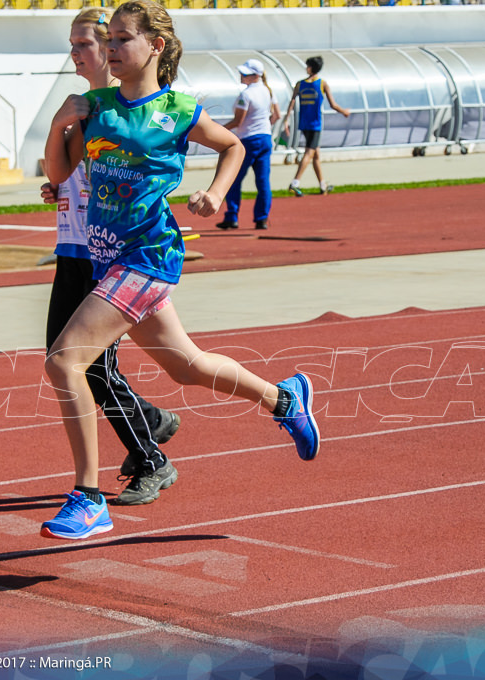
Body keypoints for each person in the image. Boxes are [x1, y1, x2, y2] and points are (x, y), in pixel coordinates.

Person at [40, 0, 321, 541]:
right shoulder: (94, 105)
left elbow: (234, 145)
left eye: (123, 39)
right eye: (111, 40)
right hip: (107, 258)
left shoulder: (179, 109)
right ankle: (284, 398)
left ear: (155, 47)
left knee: (64, 362)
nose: (112, 49)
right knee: (187, 366)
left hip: (147, 257)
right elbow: (60, 170)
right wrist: (60, 124)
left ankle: (89, 497)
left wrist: (216, 193)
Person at [40, 7, 181, 507]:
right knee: (67, 358)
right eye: (72, 44)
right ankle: (153, 423)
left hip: (114, 256)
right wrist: (56, 180)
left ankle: (150, 457)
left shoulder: (125, 106)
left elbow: (147, 169)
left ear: (110, 48)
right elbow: (65, 171)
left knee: (89, 367)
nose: (74, 54)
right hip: (71, 245)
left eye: (83, 44)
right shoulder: (83, 105)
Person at [215, 58, 280, 231]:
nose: (241, 76)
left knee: (234, 179)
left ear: (254, 76)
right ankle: (262, 219)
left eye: (245, 74)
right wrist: (264, 127)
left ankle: (232, 216)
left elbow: (238, 121)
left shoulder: (246, 94)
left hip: (248, 140)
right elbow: (276, 116)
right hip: (265, 138)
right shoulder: (268, 91)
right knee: (263, 181)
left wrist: (218, 130)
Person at [282, 55, 350, 196]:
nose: (306, 68)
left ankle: (322, 185)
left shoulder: (300, 84)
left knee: (316, 154)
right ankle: (295, 183)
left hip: (305, 124)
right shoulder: (322, 83)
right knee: (309, 153)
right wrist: (344, 111)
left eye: (308, 65)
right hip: (315, 124)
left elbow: (292, 102)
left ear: (312, 67)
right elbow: (333, 104)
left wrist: (286, 120)